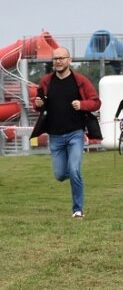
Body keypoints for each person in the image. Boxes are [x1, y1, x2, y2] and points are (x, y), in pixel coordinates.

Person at [30, 47, 101, 218]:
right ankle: (71, 174)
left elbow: (96, 102)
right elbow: (38, 104)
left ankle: (78, 209)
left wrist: (82, 105)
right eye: (55, 59)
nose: (58, 61)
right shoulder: (46, 81)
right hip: (55, 136)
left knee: (75, 170)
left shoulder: (80, 81)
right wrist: (37, 104)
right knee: (61, 175)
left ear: (69, 60)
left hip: (75, 134)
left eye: (61, 58)